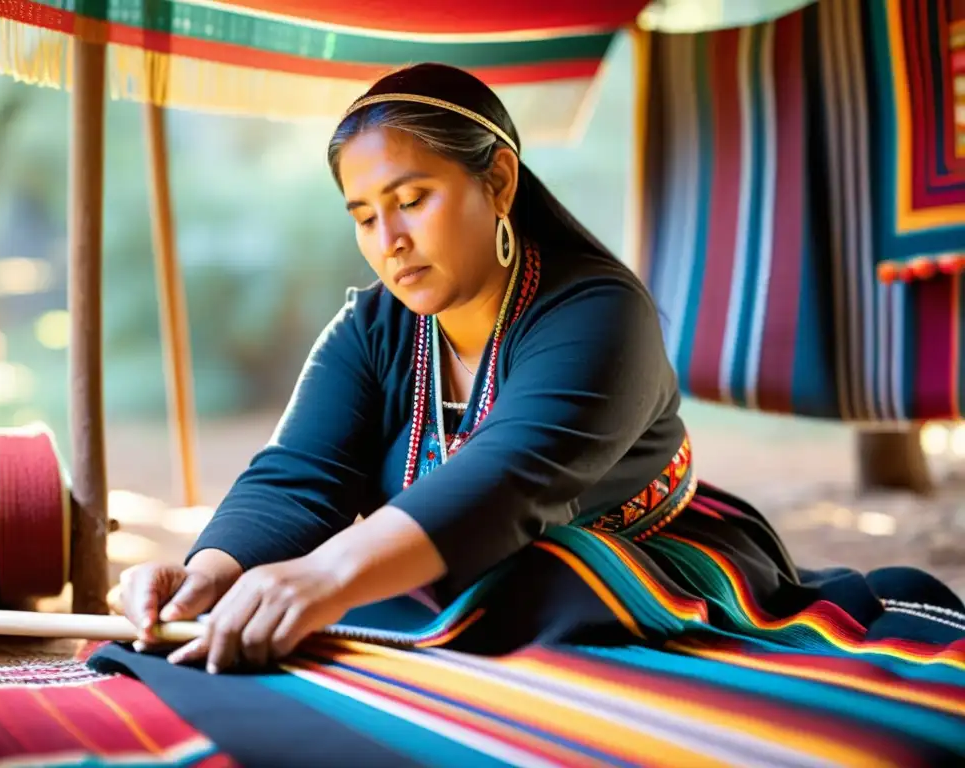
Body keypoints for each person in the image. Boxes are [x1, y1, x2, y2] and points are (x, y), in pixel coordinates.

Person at [118, 62, 965, 675]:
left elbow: (511, 476)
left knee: (528, 588)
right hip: (440, 574)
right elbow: (300, 476)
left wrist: (324, 576)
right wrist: (205, 574)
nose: (390, 240)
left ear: (499, 179)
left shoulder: (599, 314)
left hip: (633, 563)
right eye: (365, 216)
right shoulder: (372, 326)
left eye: (412, 199)